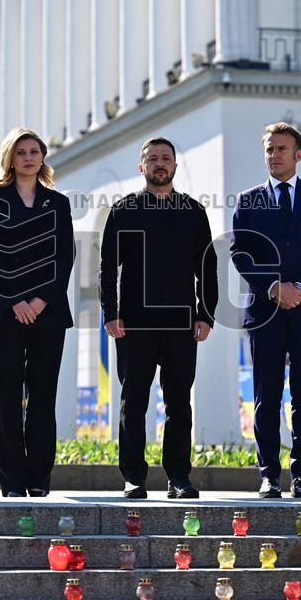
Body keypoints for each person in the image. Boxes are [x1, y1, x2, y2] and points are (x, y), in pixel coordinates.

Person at [99, 137, 218, 500]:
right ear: (142, 167)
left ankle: (179, 477)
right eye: (153, 159)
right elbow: (107, 267)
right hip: (134, 323)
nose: (160, 164)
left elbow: (207, 268)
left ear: (176, 166)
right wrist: (111, 313)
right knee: (133, 401)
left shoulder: (194, 212)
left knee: (179, 402)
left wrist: (206, 314)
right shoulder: (123, 210)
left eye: (166, 158)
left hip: (182, 323)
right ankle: (133, 477)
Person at [230, 122, 301, 499]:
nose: (274, 155)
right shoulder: (248, 200)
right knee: (266, 394)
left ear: (298, 155)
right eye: (269, 149)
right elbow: (240, 252)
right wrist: (274, 288)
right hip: (265, 311)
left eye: (281, 149)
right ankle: (268, 475)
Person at [0, 127, 74, 497]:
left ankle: (39, 478)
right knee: (6, 397)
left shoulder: (58, 202)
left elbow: (64, 257)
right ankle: (13, 481)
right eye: (21, 152)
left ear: (43, 157)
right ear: (10, 159)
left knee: (43, 396)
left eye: (35, 151)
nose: (29, 158)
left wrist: (40, 300)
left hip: (48, 312)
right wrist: (17, 300)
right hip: (3, 311)